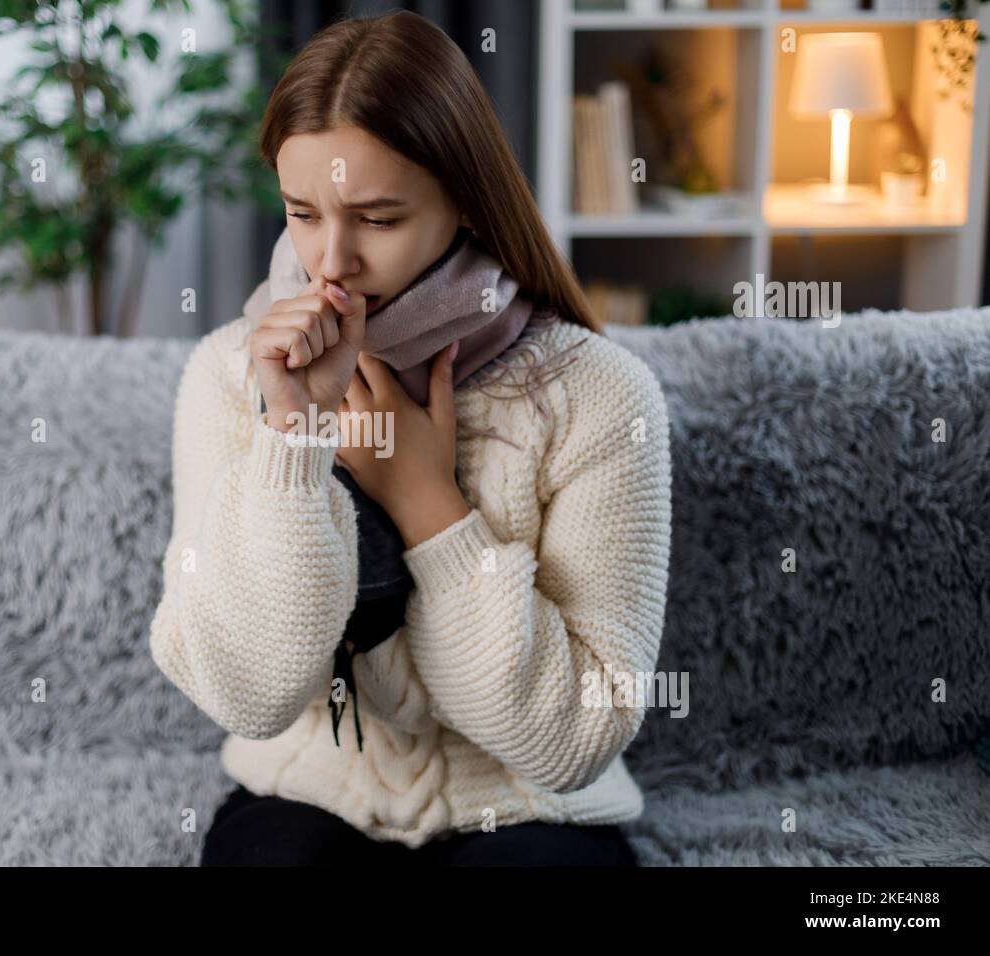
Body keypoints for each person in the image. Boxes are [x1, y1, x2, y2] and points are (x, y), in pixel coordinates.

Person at [148, 10, 672, 867]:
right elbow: (247, 694)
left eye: (379, 219)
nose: (330, 263)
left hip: (529, 809)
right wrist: (292, 440)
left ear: (467, 197)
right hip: (307, 797)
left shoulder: (598, 394)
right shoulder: (227, 375)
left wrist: (428, 504)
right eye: (303, 213)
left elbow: (575, 738)